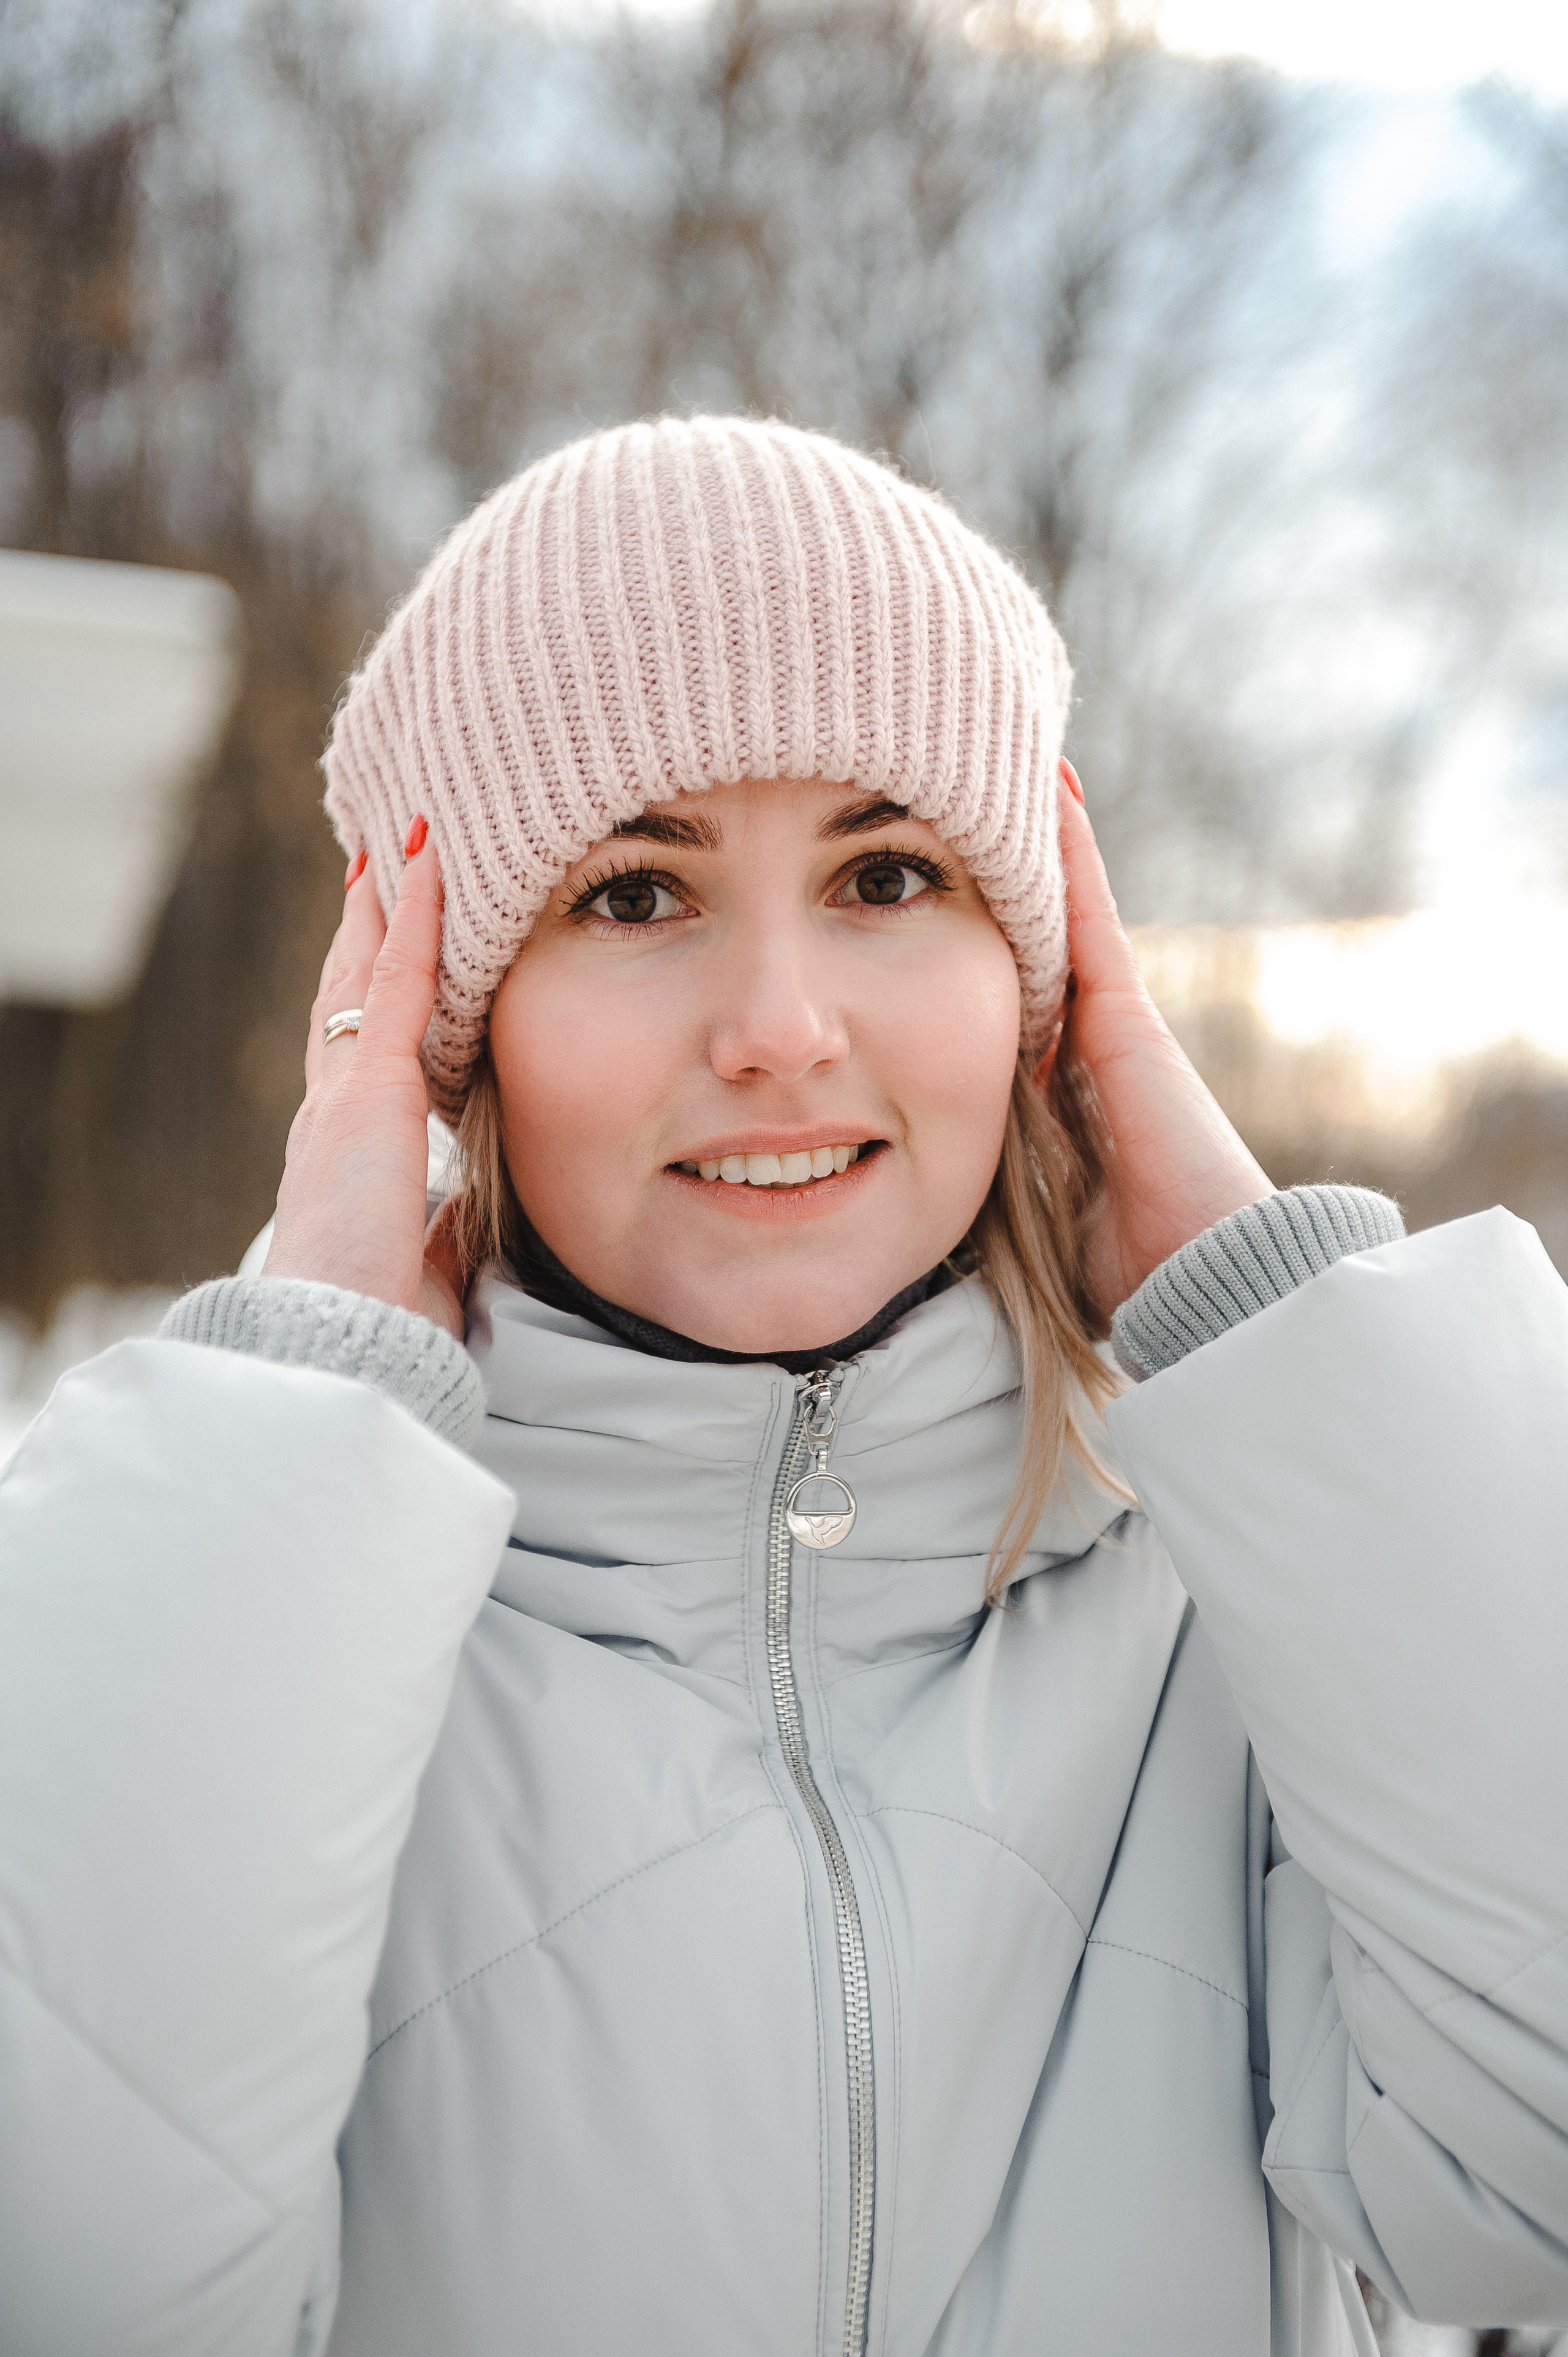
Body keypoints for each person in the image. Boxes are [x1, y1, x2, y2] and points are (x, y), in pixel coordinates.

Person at [1, 418, 1565, 2357]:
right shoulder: (272, 1630)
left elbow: (1533, 2196)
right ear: (444, 1031)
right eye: (635, 898)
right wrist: (297, 1422)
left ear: (1045, 977)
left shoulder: (1257, 1626)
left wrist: (1282, 1334)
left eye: (890, 874)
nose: (779, 1031)